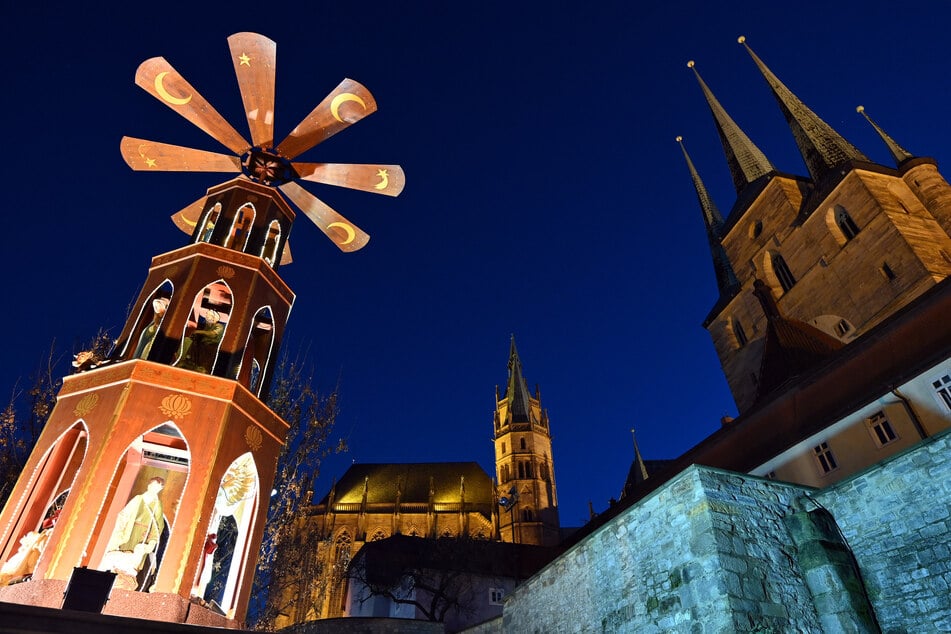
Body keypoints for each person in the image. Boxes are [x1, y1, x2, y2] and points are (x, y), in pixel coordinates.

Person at [100, 477, 165, 591]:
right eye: (154, 486)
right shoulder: (138, 499)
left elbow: (157, 526)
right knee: (119, 560)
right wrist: (119, 533)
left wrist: (152, 542)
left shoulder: (157, 505)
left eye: (158, 488)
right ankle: (113, 584)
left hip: (143, 537)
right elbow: (124, 515)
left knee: (135, 562)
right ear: (149, 486)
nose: (155, 490)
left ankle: (126, 586)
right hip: (129, 532)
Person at [177, 309, 225, 373]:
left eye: (209, 315)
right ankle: (186, 360)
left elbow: (212, 334)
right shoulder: (206, 327)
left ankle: (199, 366)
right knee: (188, 341)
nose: (207, 317)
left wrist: (198, 331)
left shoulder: (219, 326)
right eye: (207, 315)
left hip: (211, 345)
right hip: (203, 344)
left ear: (214, 318)